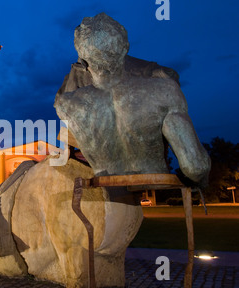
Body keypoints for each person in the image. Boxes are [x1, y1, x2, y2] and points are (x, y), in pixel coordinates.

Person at [54, 13, 210, 189]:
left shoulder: (65, 104)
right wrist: (200, 182)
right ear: (125, 48)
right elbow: (195, 166)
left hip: (105, 180)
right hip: (155, 178)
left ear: (82, 59)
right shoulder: (165, 90)